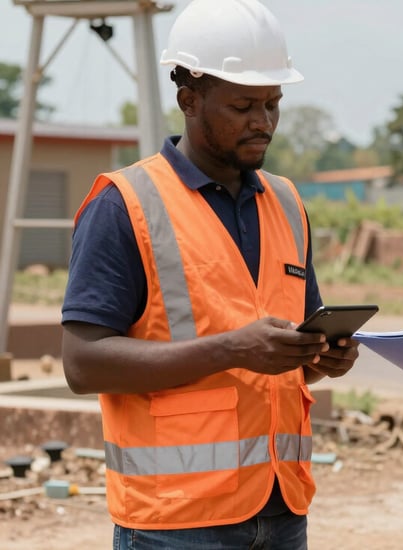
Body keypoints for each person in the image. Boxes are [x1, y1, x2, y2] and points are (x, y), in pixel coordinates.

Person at [60, 1, 360, 548]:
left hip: (281, 508)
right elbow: (83, 364)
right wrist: (231, 349)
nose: (263, 122)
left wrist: (320, 358)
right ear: (188, 100)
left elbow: (282, 357)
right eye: (244, 106)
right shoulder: (125, 204)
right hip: (175, 521)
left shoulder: (288, 203)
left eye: (273, 104)